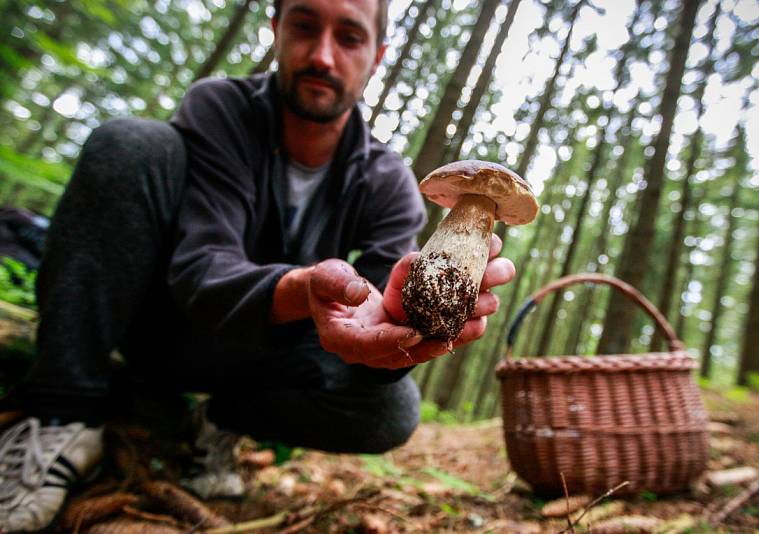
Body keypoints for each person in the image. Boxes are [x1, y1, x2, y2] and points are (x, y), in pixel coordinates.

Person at [0, 0, 515, 530]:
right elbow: (200, 271)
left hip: (266, 358)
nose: (322, 55)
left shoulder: (387, 182)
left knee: (390, 409)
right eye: (304, 26)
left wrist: (403, 329)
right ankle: (61, 407)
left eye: (350, 38)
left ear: (378, 56)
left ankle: (215, 422)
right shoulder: (221, 108)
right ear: (275, 30)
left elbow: (386, 305)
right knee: (133, 144)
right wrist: (301, 289)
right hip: (168, 322)